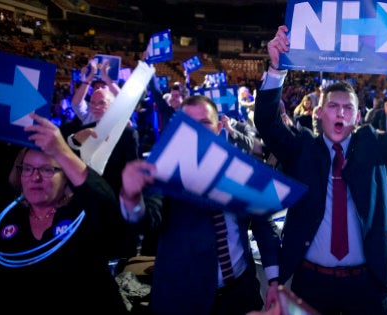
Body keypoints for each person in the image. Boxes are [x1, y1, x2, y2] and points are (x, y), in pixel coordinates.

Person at [254, 25, 387, 314]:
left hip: (366, 283)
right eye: (333, 106)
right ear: (320, 113)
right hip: (311, 282)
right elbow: (267, 124)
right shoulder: (303, 150)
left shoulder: (373, 147)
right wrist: (276, 70)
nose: (340, 112)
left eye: (348, 108)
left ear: (358, 116)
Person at [119, 95, 281, 315]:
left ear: (219, 127)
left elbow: (263, 225)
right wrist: (131, 198)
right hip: (183, 299)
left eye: (204, 123)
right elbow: (147, 221)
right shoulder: (163, 171)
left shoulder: (241, 168)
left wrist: (273, 280)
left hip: (240, 295)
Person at [0, 113, 129, 314]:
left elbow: (107, 207)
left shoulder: (83, 214)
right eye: (27, 169)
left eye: (46, 170)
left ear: (66, 178)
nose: (34, 177)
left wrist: (63, 152)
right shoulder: (4, 217)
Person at [71, 58, 120, 125]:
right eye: (96, 87)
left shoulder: (115, 108)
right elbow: (76, 103)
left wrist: (105, 75)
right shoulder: (89, 109)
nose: (99, 89)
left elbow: (122, 99)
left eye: (103, 87)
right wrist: (90, 76)